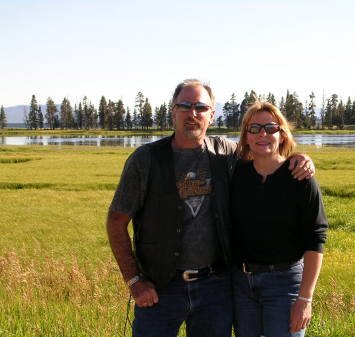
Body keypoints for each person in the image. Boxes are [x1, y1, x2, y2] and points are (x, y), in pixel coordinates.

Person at [106, 79, 315, 337]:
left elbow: (265, 152)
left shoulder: (225, 152)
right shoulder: (146, 159)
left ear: (212, 115)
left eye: (201, 108)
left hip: (215, 288)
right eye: (184, 106)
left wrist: (298, 159)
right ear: (173, 111)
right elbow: (116, 221)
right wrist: (135, 281)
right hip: (160, 287)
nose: (192, 114)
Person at [231, 101, 328, 337]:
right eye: (254, 129)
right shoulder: (236, 175)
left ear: (282, 135)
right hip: (241, 285)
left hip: (285, 284)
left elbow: (316, 239)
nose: (262, 134)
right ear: (245, 136)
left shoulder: (300, 178)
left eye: (270, 128)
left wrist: (305, 299)